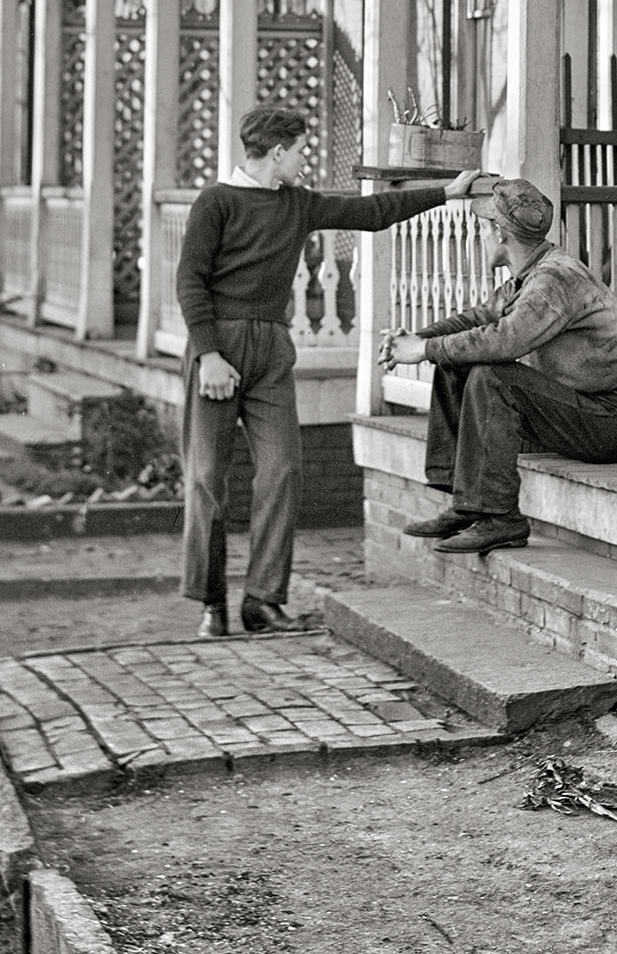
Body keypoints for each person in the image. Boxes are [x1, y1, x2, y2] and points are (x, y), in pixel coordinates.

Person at [175, 102, 484, 638]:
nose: (303, 160)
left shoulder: (297, 203)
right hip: (217, 348)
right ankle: (211, 602)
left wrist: (446, 193)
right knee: (206, 479)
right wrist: (208, 355)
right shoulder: (215, 202)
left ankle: (262, 601)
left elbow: (370, 214)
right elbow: (189, 282)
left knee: (283, 470)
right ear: (276, 151)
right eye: (299, 150)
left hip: (271, 346)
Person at [379, 176, 617, 558]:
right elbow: (477, 320)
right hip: (581, 410)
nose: (481, 236)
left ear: (499, 233)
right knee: (455, 361)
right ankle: (465, 503)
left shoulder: (554, 280)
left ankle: (501, 519)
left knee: (491, 376)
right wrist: (416, 340)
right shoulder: (532, 274)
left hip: (608, 423)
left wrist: (424, 348)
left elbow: (505, 340)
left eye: (484, 228)